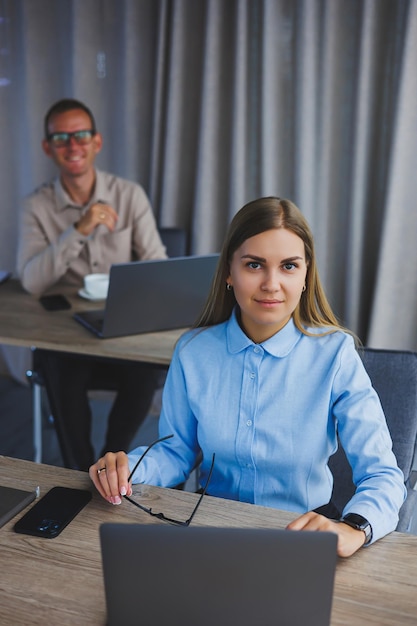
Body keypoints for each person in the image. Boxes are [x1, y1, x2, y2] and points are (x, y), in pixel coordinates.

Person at [89, 196, 406, 557]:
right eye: (255, 265)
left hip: (303, 533)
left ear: (306, 275)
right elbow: (177, 450)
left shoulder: (336, 354)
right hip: (207, 527)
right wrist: (130, 466)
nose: (271, 284)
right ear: (229, 271)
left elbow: (383, 475)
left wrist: (355, 529)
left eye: (289, 266)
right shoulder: (193, 351)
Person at [17, 98, 167, 471]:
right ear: (47, 147)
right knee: (56, 367)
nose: (73, 145)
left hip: (120, 335)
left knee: (146, 372)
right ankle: (76, 469)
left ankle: (109, 460)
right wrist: (79, 229)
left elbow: (158, 266)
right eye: (62, 137)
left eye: (81, 135)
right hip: (66, 338)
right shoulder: (35, 206)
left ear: (96, 142)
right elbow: (32, 281)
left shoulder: (128, 195)